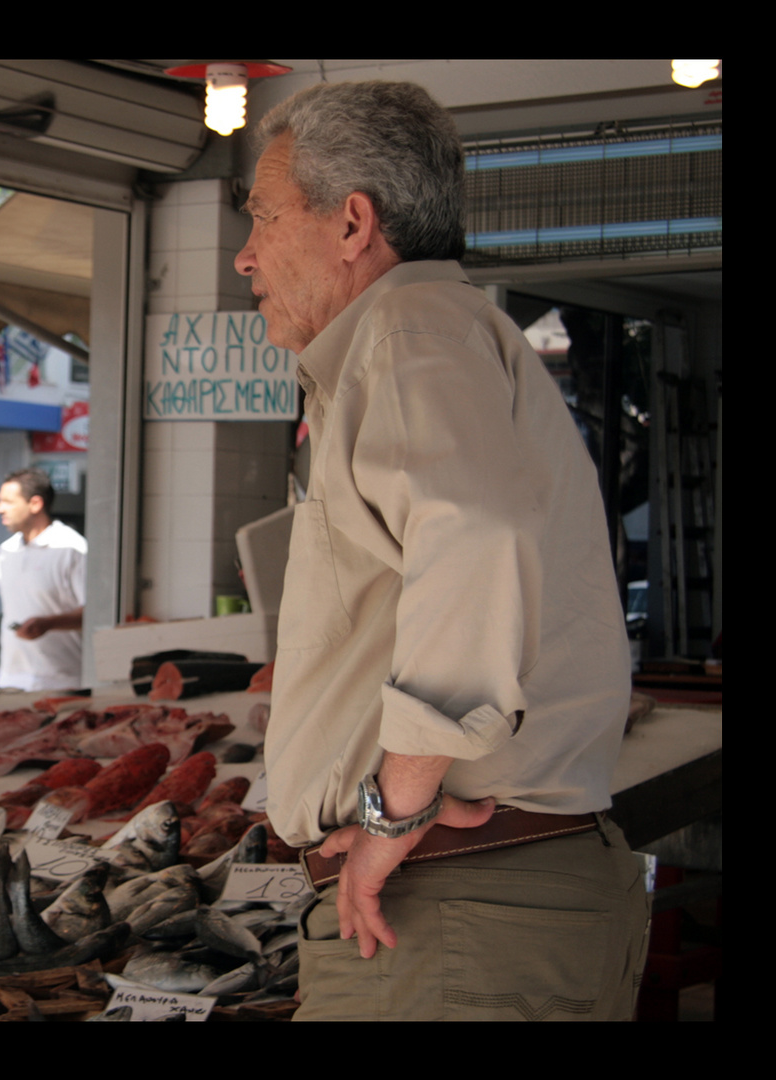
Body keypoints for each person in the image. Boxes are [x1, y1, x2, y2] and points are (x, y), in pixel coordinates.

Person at [236, 81, 648, 1020]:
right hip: (470, 911)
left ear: (352, 224)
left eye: (263, 216)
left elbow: (474, 533)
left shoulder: (409, 329)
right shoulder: (433, 339)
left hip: (453, 913)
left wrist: (394, 809)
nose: (245, 253)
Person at [0, 468, 86, 691]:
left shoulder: (73, 549)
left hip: (62, 681)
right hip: (9, 680)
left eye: (8, 502)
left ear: (35, 504)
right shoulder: (6, 551)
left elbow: (95, 614)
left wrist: (49, 623)